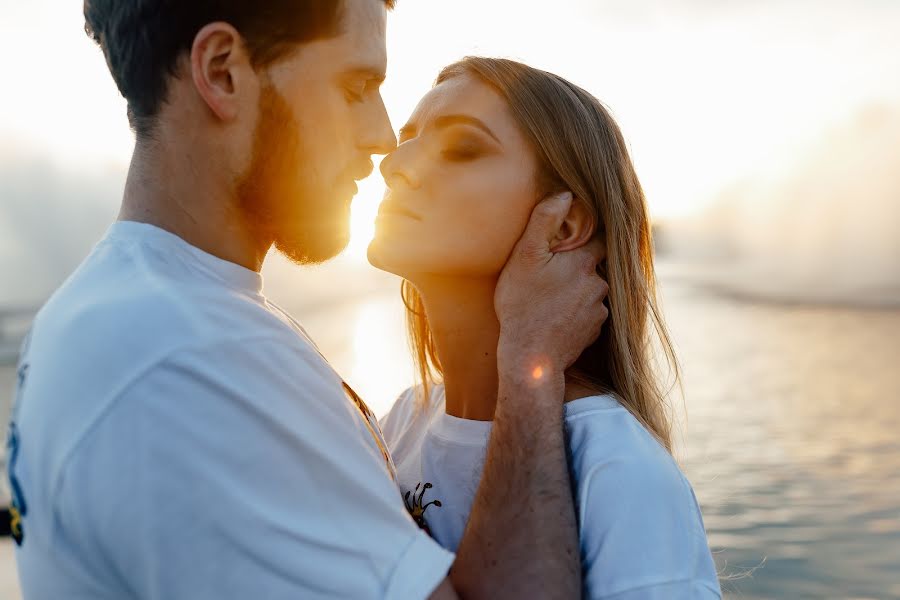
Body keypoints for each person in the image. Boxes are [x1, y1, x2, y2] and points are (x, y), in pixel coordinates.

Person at [5, 3, 608, 599]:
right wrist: (531, 361)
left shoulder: (120, 310)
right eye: (355, 87)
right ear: (222, 72)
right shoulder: (193, 353)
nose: (382, 139)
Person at [372, 57, 722, 599]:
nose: (394, 165)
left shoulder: (616, 467)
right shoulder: (400, 422)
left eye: (462, 147)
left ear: (562, 226)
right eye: (406, 139)